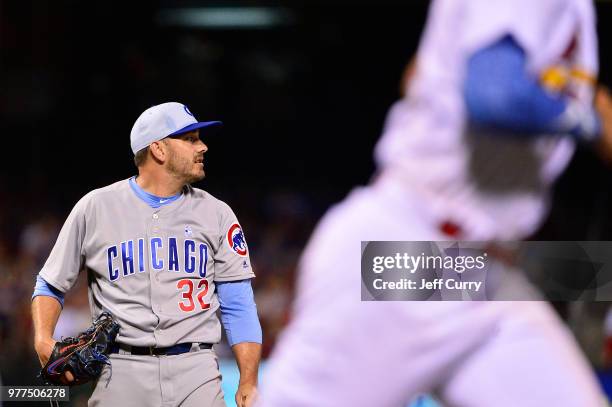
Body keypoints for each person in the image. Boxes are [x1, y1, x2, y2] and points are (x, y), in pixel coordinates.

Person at [259, 0, 612, 406]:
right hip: (407, 252)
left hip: (479, 272)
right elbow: (495, 95)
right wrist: (593, 121)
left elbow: (422, 76)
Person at [31, 102, 262, 407]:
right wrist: (43, 338)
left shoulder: (217, 214)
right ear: (159, 150)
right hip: (121, 371)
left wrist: (248, 380)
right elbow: (50, 284)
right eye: (190, 139)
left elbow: (239, 305)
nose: (202, 146)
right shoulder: (96, 207)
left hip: (196, 371)